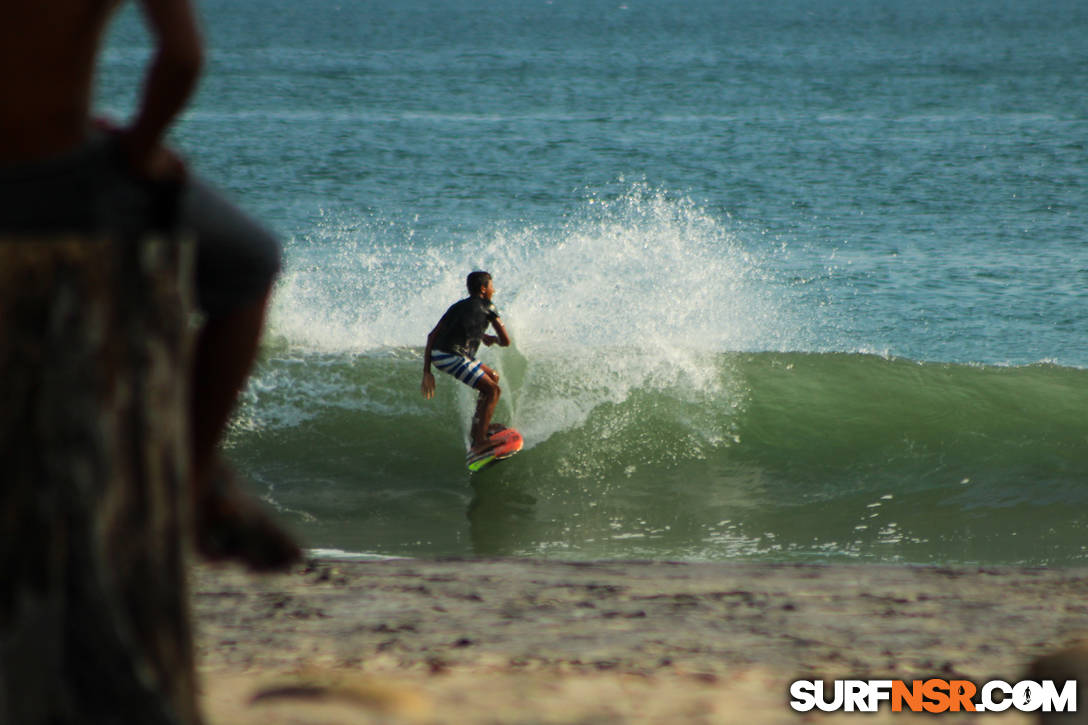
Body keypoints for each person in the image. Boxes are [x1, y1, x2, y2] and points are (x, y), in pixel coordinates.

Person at [0, 0, 300, 570]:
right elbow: (183, 57)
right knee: (249, 262)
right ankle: (188, 481)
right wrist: (139, 148)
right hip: (57, 181)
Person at [422, 271, 512, 452]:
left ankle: (479, 430)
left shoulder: (457, 307)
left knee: (492, 377)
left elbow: (432, 335)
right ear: (483, 289)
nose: (493, 290)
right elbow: (506, 341)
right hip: (452, 355)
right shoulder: (489, 307)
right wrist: (493, 339)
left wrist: (427, 371)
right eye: (491, 286)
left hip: (440, 354)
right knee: (493, 390)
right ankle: (480, 442)